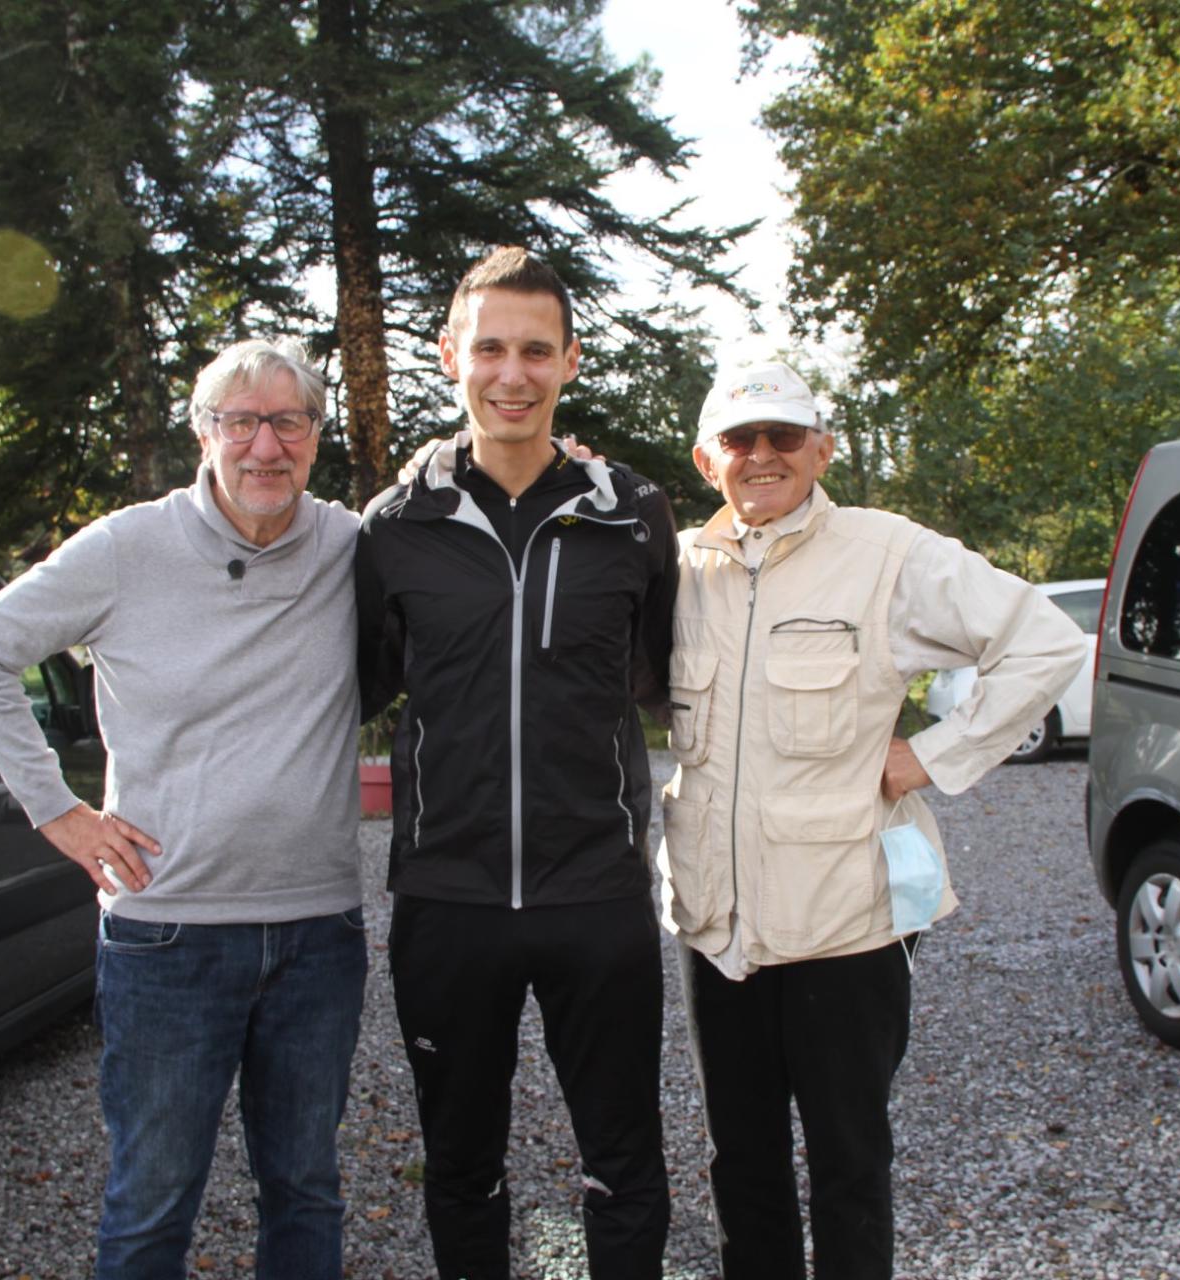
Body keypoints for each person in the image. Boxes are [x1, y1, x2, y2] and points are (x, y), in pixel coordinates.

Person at [0, 338, 367, 1280]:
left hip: (317, 933)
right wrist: (58, 812)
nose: (266, 446)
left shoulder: (349, 545)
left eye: (288, 421)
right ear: (203, 432)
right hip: (168, 937)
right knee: (152, 1200)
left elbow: (449, 512)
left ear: (314, 434)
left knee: (306, 1189)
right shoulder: (126, 548)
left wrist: (560, 459)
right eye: (241, 422)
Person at [658, 360, 1087, 1279]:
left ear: (822, 450)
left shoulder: (888, 554)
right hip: (718, 930)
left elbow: (1044, 641)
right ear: (706, 459)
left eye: (784, 436)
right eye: (740, 439)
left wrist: (931, 756)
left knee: (849, 1163)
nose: (762, 455)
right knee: (741, 1162)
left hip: (847, 927)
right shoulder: (680, 569)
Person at [354, 246, 678, 1280]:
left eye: (536, 351)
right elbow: (349, 689)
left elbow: (679, 679)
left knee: (624, 1160)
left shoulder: (632, 513)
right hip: (449, 899)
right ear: (451, 355)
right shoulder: (395, 525)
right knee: (460, 1165)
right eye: (490, 348)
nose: (512, 373)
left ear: (570, 360)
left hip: (597, 894)